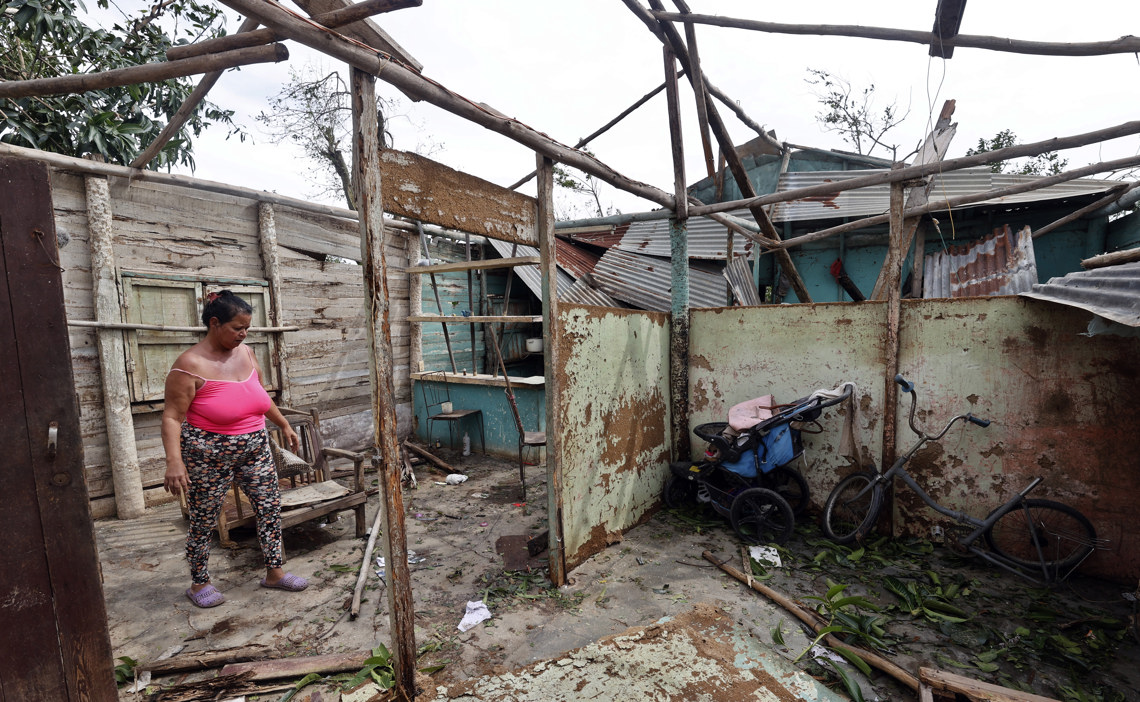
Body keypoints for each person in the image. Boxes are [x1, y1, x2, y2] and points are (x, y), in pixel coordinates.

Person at [162, 290, 308, 608]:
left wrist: (283, 423)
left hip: (255, 448)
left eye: (247, 328)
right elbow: (172, 417)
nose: (243, 334)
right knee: (204, 518)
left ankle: (275, 572)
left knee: (269, 508)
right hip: (207, 454)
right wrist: (174, 462)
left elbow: (259, 395)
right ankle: (199, 582)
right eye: (237, 328)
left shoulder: (247, 353)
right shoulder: (189, 365)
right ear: (215, 323)